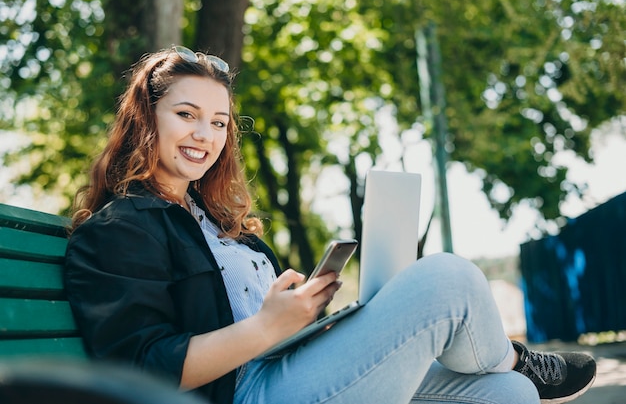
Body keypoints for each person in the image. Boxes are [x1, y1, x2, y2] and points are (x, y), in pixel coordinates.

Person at [64, 46, 596, 404]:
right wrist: (266, 327)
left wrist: (304, 318)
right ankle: (516, 358)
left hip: (290, 367)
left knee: (507, 395)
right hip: (248, 393)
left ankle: (512, 370)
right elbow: (141, 366)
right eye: (186, 115)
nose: (205, 134)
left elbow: (265, 325)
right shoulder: (120, 228)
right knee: (447, 280)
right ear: (146, 118)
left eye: (219, 122)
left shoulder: (216, 221)